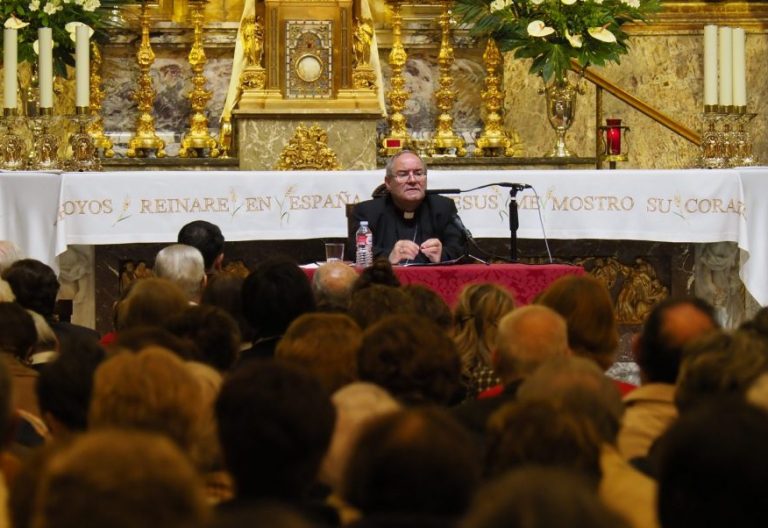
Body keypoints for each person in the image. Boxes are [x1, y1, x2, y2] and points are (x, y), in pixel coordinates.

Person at [352, 151, 465, 264]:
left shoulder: (443, 207)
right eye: (403, 174)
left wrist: (442, 254)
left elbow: (462, 249)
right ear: (388, 183)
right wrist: (388, 256)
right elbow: (353, 251)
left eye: (418, 173)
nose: (412, 180)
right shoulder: (367, 212)